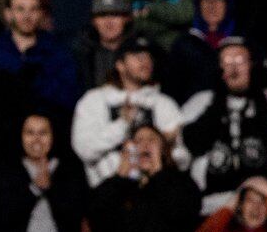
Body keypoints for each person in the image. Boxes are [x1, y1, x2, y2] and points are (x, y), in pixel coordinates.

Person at [181, 39, 267, 216]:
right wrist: (218, 104)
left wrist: (259, 102)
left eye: (241, 60)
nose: (234, 68)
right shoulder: (200, 102)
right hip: (212, 205)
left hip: (264, 203)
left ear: (252, 65)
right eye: (227, 61)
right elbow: (192, 145)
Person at [88, 125, 201, 232]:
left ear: (163, 148)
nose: (145, 145)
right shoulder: (117, 185)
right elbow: (97, 216)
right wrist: (121, 174)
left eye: (152, 140)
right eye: (138, 141)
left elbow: (181, 213)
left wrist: (157, 173)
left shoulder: (180, 182)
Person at [71, 35, 186, 188]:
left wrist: (164, 146)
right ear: (120, 64)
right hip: (108, 195)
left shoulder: (164, 103)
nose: (145, 62)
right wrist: (122, 125)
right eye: (138, 56)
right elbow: (84, 150)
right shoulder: (94, 100)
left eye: (148, 57)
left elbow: (184, 159)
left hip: (156, 195)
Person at [0, 0, 80, 123]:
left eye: (33, 9)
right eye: (20, 9)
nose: (27, 16)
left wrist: (35, 78)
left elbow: (69, 97)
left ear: (41, 14)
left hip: (48, 128)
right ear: (8, 14)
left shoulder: (58, 51)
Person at [166, 0, 237, 104]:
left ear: (228, 3)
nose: (212, 6)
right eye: (205, 0)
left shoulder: (241, 41)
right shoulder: (184, 44)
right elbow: (172, 91)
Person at [73, 0, 135, 95]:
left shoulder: (141, 50)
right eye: (102, 15)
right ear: (93, 21)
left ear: (127, 18)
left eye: (115, 15)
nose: (108, 22)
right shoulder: (80, 54)